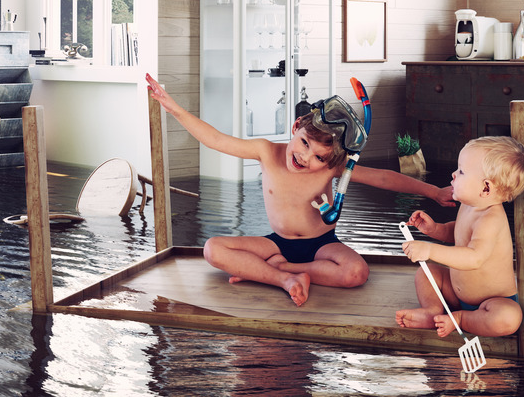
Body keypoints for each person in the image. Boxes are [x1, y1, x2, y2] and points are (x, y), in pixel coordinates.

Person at [146, 74, 455, 307]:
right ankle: (284, 277)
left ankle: (280, 270)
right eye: (305, 143)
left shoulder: (336, 168)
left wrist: (433, 192)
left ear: (331, 160)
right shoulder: (266, 152)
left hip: (322, 245)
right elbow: (216, 139)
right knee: (213, 249)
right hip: (276, 244)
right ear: (296, 127)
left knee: (356, 273)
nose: (306, 157)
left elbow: (385, 179)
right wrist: (174, 108)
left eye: (319, 157)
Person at [395, 136, 524, 338]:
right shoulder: (470, 205)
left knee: (508, 318)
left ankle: (459, 318)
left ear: (486, 188)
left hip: (492, 302)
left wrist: (430, 250)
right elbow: (458, 233)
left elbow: (473, 257)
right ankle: (433, 311)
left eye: (461, 171)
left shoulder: (491, 218)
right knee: (426, 272)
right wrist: (435, 229)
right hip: (457, 293)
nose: (453, 174)